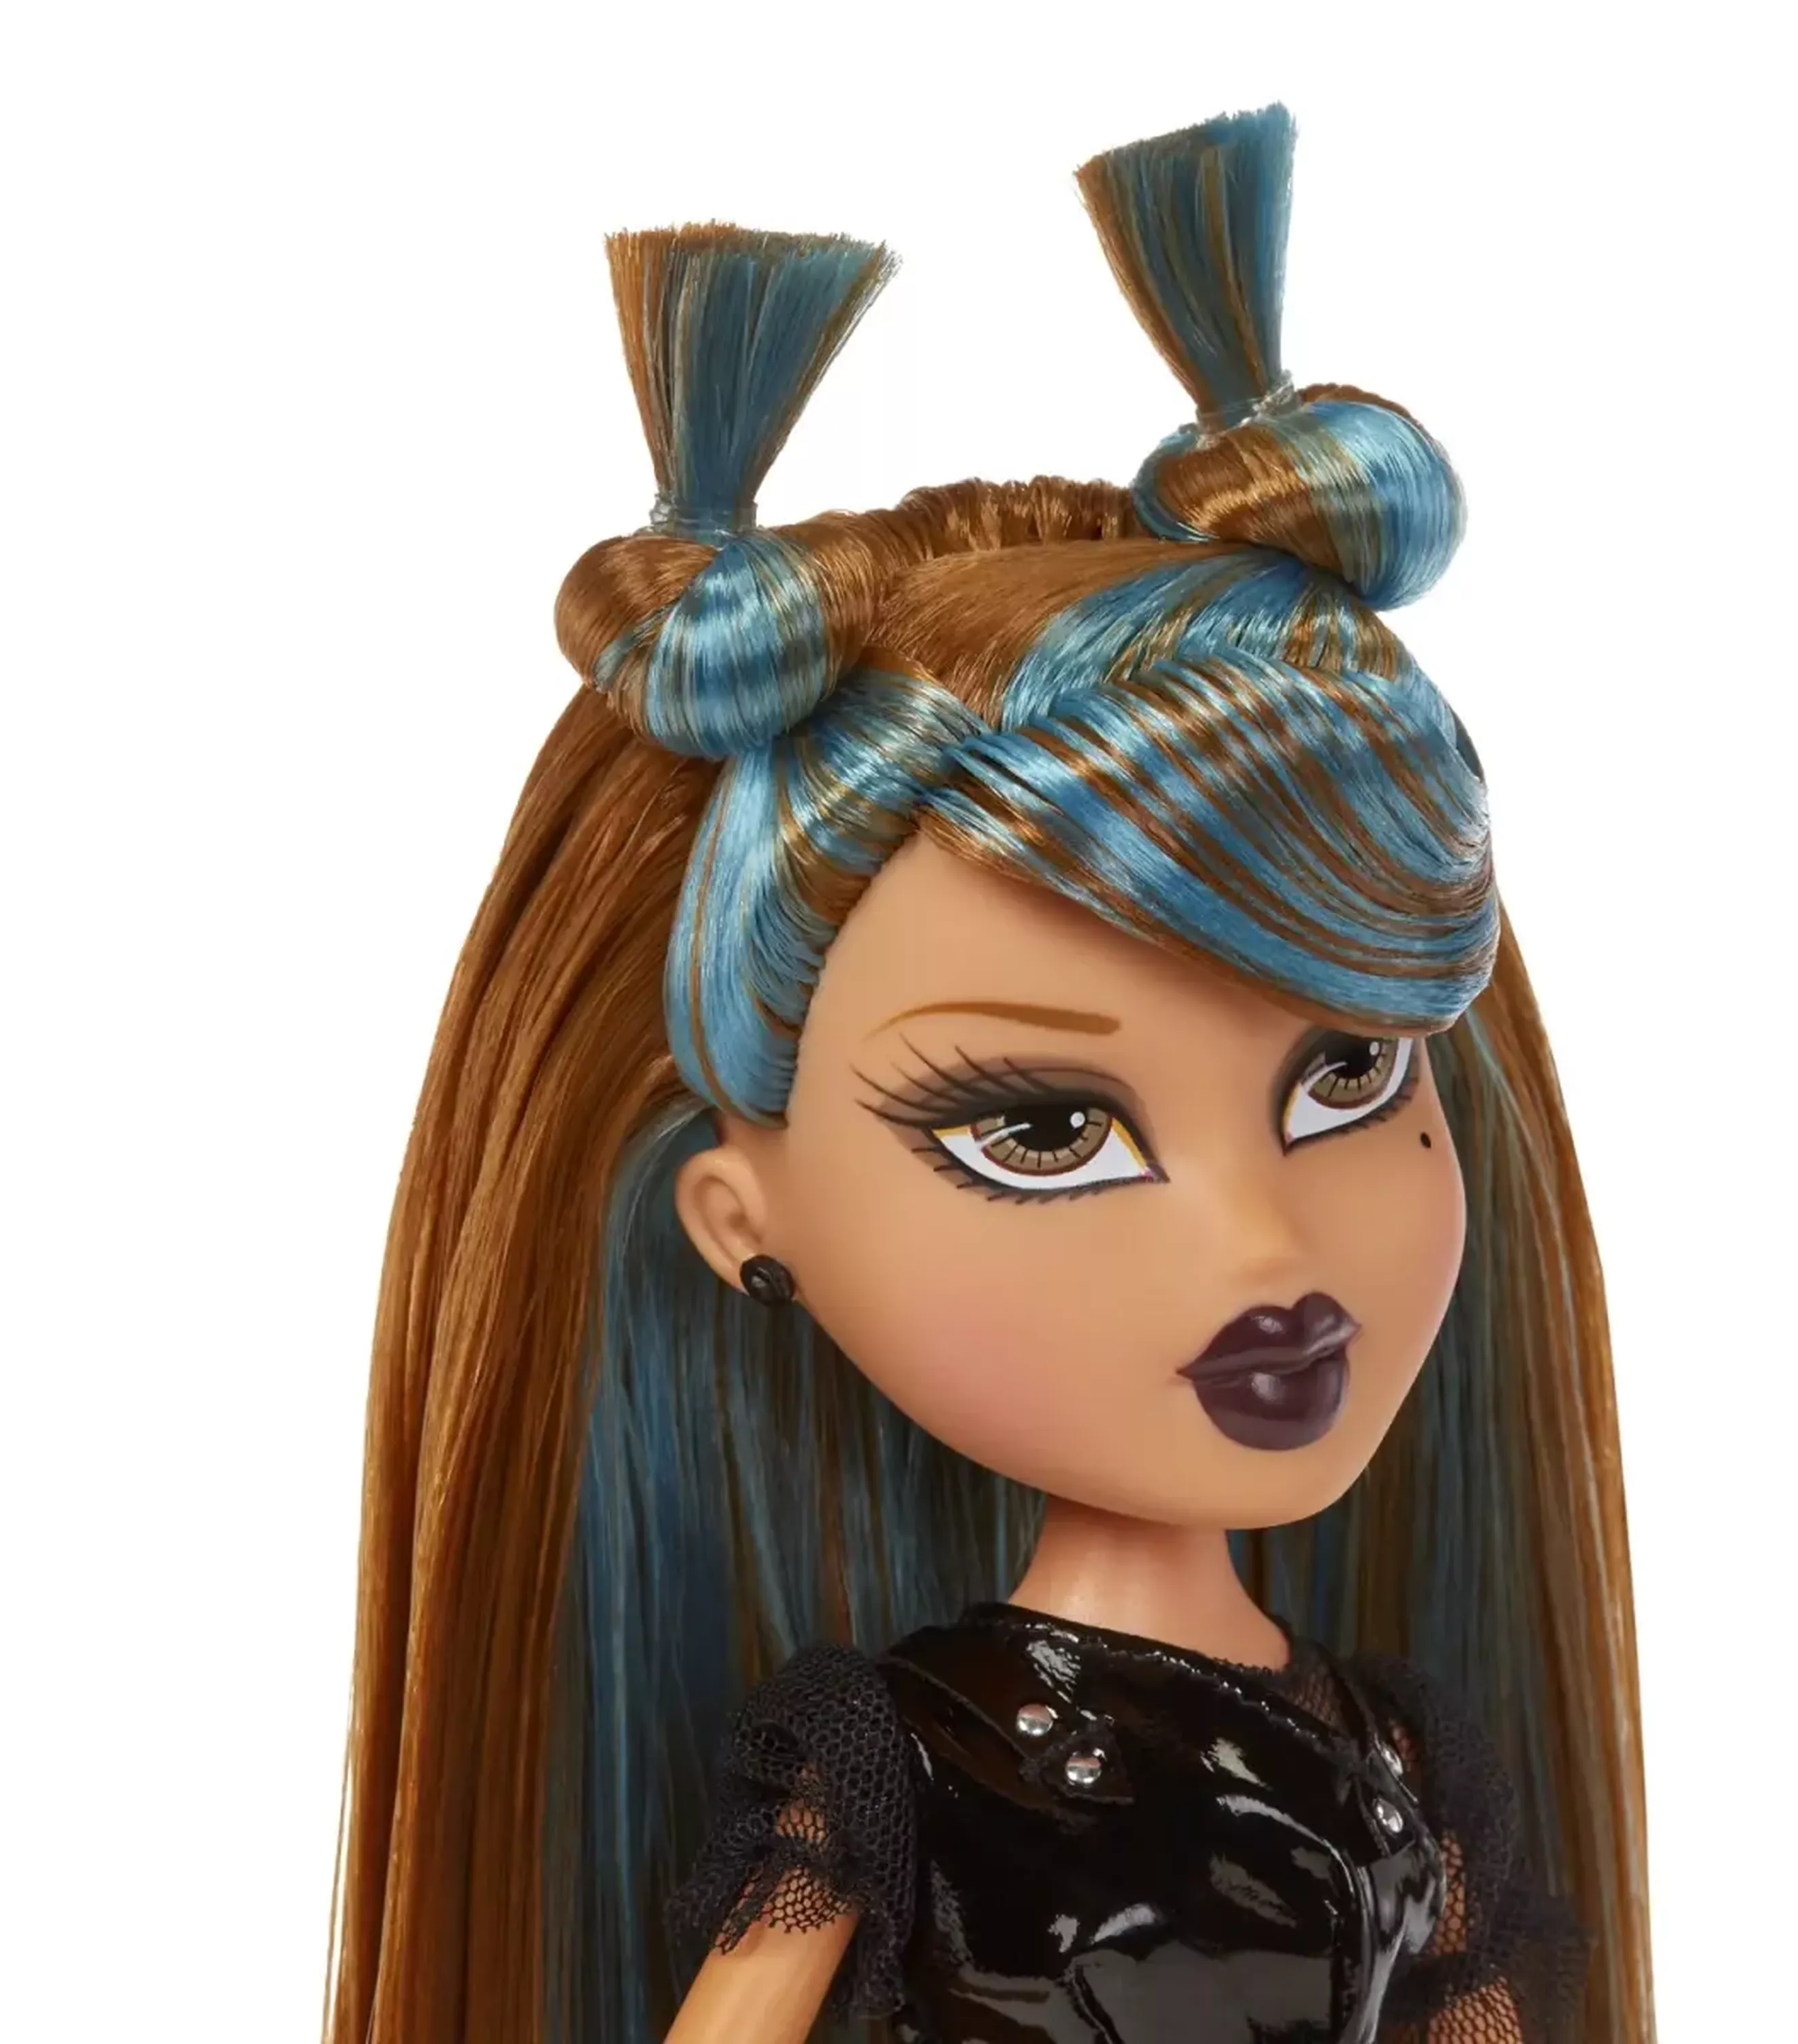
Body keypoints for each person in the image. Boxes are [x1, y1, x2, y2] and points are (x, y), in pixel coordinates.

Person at [324, 104, 1653, 2044]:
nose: (1265, 1246)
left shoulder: (1401, 1758)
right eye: (1042, 1129)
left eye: (1349, 1074)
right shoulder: (900, 1765)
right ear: (743, 1217)